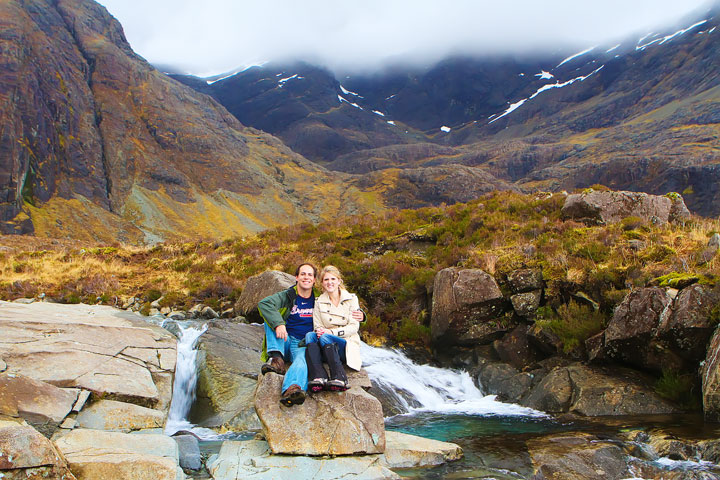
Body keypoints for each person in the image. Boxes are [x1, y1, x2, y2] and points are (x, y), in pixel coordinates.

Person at [258, 263, 318, 407]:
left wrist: (361, 315)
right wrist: (279, 324)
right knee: (270, 319)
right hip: (284, 339)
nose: (306, 277)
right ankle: (277, 360)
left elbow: (340, 304)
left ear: (314, 280)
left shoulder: (319, 299)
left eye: (310, 275)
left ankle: (291, 390)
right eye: (303, 274)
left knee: (302, 361)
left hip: (302, 343)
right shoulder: (288, 295)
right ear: (296, 277)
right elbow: (264, 304)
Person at [304, 265, 363, 392]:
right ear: (322, 283)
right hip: (326, 343)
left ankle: (340, 377)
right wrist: (321, 331)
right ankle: (319, 375)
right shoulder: (319, 302)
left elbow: (354, 327)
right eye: (326, 280)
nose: (329, 282)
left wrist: (331, 332)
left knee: (325, 337)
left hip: (346, 344)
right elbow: (318, 325)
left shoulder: (351, 299)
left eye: (333, 279)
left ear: (339, 281)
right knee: (310, 335)